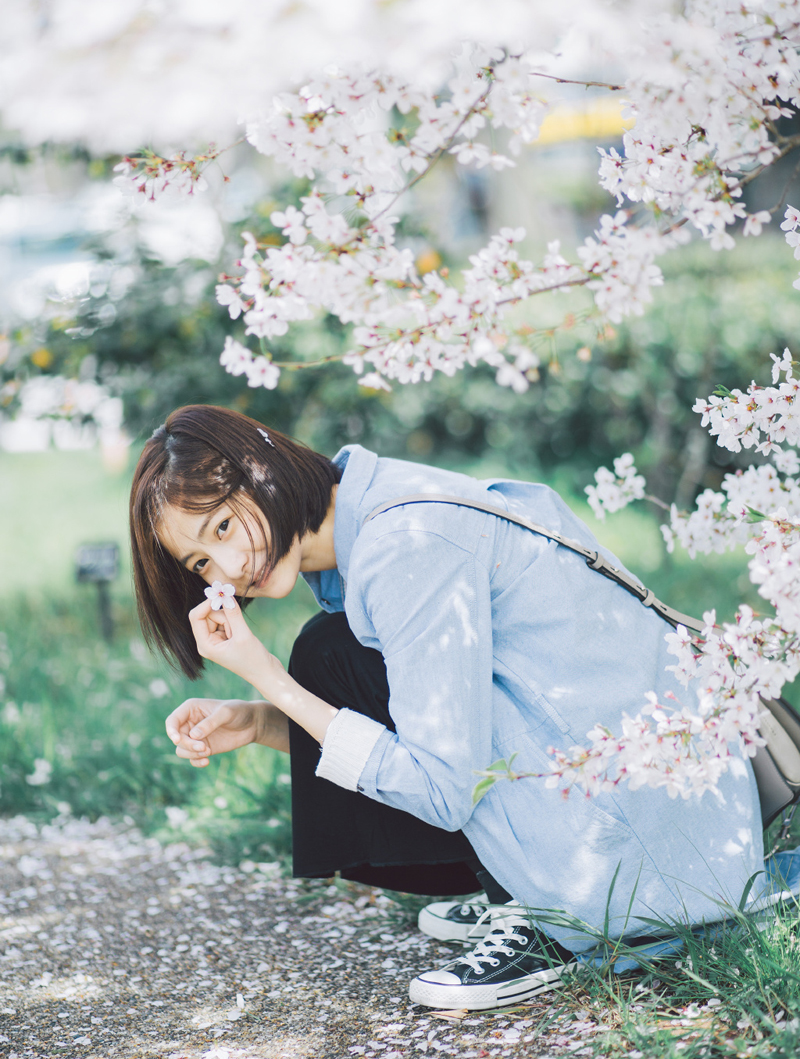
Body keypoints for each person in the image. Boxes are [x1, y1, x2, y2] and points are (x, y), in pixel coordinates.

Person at [129, 404, 763, 1010]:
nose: (231, 567)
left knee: (323, 654)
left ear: (259, 464)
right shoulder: (371, 499)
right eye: (202, 560)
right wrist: (263, 719)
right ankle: (510, 880)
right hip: (663, 804)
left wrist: (268, 676)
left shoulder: (402, 544)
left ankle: (542, 915)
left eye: (222, 525)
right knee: (334, 651)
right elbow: (423, 700)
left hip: (633, 852)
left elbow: (442, 789)